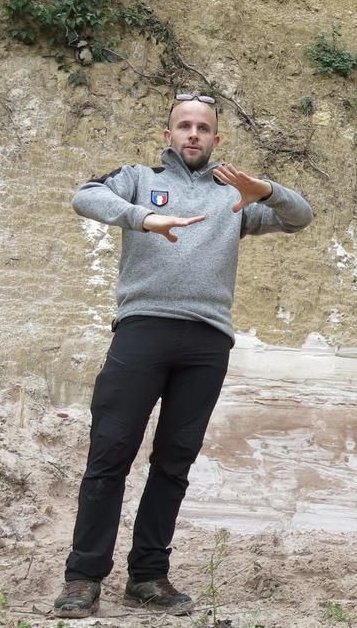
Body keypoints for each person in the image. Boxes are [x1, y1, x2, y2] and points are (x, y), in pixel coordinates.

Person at [52, 93, 313, 619]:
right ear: (167, 135)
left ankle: (148, 576)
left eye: (203, 128)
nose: (193, 134)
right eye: (184, 126)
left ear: (217, 139)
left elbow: (299, 217)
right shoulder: (137, 178)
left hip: (206, 341)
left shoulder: (232, 197)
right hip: (142, 330)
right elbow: (85, 197)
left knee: (174, 462)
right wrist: (141, 218)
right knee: (110, 453)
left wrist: (264, 190)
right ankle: (83, 578)